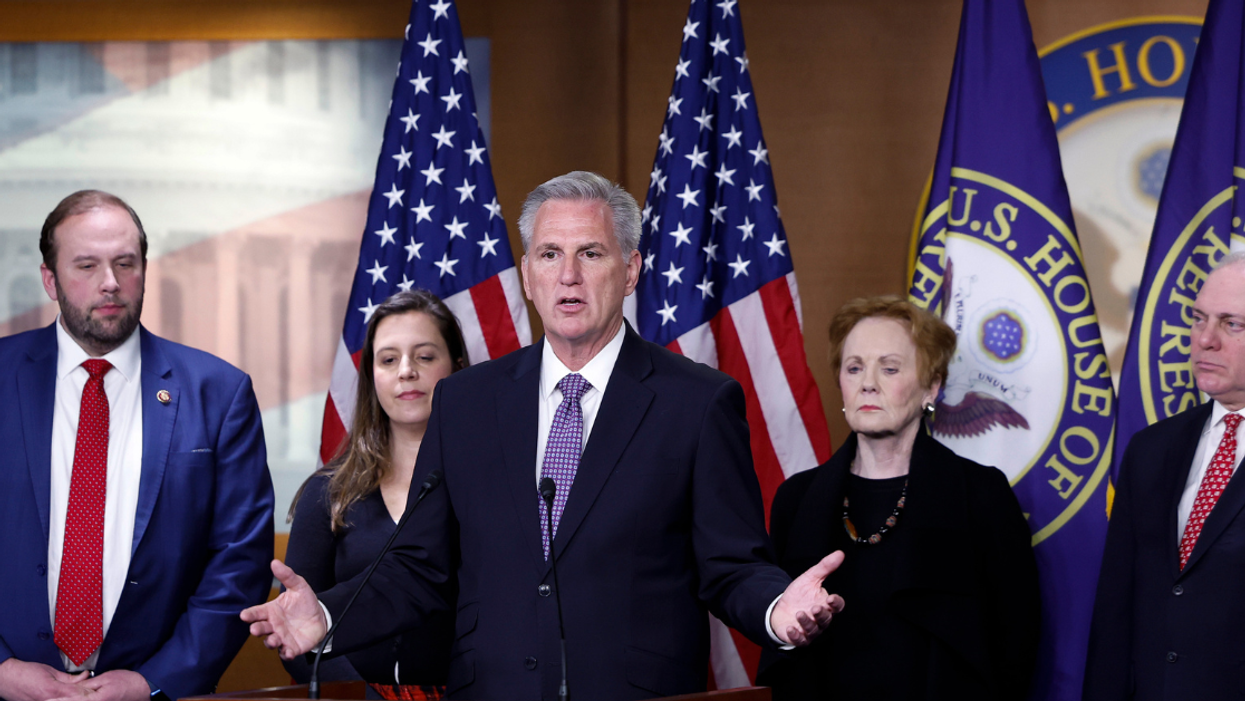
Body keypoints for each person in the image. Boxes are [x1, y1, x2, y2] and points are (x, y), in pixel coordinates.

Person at [243, 171, 844, 701]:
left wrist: (774, 607)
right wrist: (326, 612)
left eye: (592, 254)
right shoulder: (467, 401)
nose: (570, 277)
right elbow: (419, 567)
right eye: (550, 255)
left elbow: (731, 564)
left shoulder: (698, 402)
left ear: (630, 270)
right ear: (527, 275)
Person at [0, 191, 274, 701]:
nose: (110, 282)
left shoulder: (218, 393)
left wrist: (155, 682)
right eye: (86, 265)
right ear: (49, 279)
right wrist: (2, 672)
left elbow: (239, 562)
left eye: (125, 263)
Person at [757, 296, 1040, 701]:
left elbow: (1016, 643)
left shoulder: (980, 494)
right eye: (854, 368)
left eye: (889, 368)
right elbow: (780, 650)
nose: (867, 382)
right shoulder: (797, 499)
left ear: (932, 386)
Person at [282, 290, 464, 698]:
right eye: (388, 359)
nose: (406, 372)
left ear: (458, 367)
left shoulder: (492, 486)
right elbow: (297, 634)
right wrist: (369, 695)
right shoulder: (327, 492)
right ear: (371, 376)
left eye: (425, 356)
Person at [1084, 252, 1245, 701]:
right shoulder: (1151, 449)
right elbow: (1116, 611)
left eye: (1232, 324)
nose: (1205, 340)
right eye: (1198, 319)